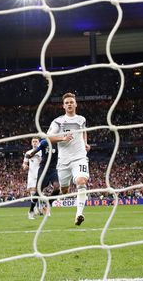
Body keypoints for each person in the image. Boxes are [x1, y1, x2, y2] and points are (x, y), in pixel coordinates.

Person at [45, 92, 89, 226]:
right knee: (64, 189)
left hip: (79, 157)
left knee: (81, 182)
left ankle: (79, 214)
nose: (69, 104)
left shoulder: (81, 119)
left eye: (71, 102)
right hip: (63, 161)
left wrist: (85, 143)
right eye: (67, 103)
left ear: (75, 104)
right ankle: (66, 188)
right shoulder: (58, 121)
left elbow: (84, 132)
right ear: (63, 106)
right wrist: (62, 138)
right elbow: (48, 137)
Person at [26, 134, 61, 217]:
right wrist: (30, 155)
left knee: (57, 188)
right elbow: (36, 150)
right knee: (38, 192)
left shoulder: (58, 144)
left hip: (53, 170)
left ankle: (47, 205)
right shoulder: (44, 142)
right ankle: (31, 210)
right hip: (43, 170)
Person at [22, 138, 42, 219]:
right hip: (32, 174)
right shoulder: (28, 153)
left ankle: (39, 208)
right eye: (33, 141)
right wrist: (25, 166)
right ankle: (33, 209)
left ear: (39, 143)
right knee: (33, 192)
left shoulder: (42, 152)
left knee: (39, 192)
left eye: (36, 141)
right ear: (31, 143)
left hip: (40, 174)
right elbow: (24, 164)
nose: (34, 143)